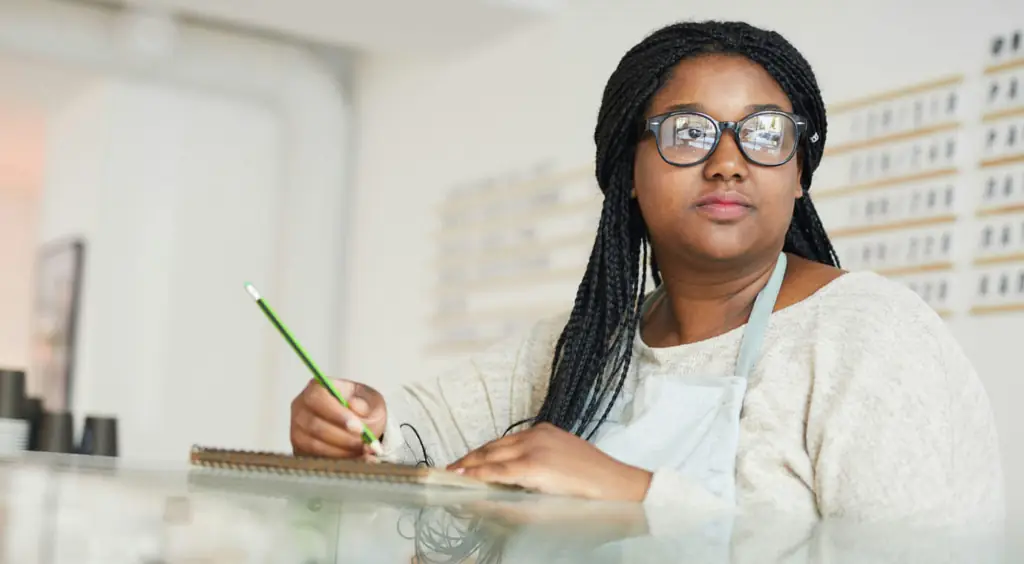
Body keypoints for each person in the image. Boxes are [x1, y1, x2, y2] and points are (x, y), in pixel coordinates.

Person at [289, 20, 1004, 528]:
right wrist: (353, 424)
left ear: (798, 175)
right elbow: (417, 440)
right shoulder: (581, 345)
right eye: (688, 132)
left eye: (763, 134)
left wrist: (634, 498)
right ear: (627, 172)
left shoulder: (869, 334)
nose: (728, 160)